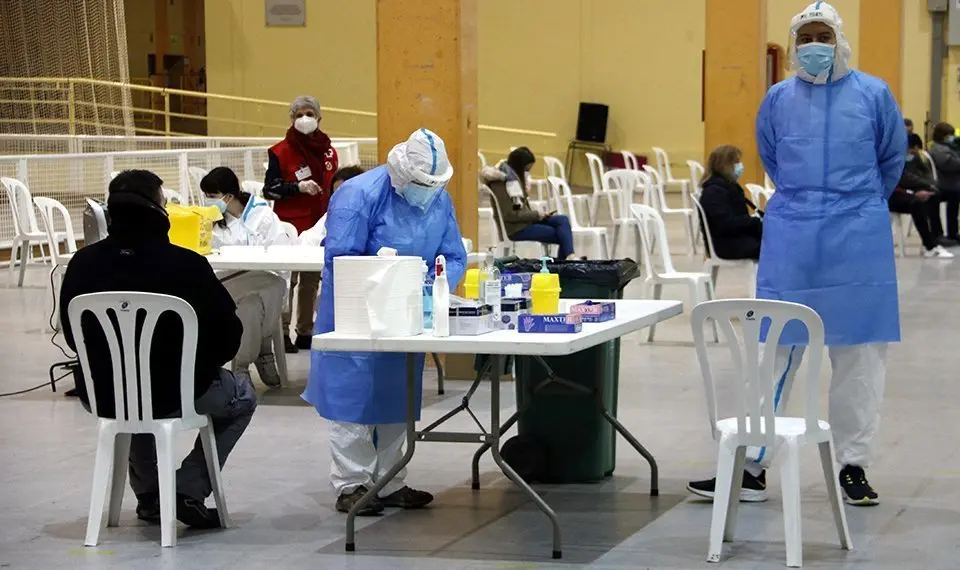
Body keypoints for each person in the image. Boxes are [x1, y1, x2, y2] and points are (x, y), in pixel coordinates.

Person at [688, 2, 905, 507]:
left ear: (839, 40)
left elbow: (891, 159)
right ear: (793, 44)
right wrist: (808, 203)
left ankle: (853, 465)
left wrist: (857, 204)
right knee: (776, 349)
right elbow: (771, 156)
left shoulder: (874, 95)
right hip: (794, 235)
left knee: (859, 355)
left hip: (858, 238)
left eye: (822, 36)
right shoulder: (778, 99)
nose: (813, 46)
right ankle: (753, 464)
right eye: (805, 36)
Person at [59, 170, 257, 529]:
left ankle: (151, 497)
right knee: (242, 396)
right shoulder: (188, 266)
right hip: (176, 393)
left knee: (132, 393)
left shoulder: (82, 264)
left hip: (104, 393)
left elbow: (74, 338)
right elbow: (228, 337)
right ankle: (186, 489)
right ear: (159, 210)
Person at [304, 129, 467, 516]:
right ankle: (352, 484)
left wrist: (434, 284)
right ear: (400, 172)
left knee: (398, 397)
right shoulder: (359, 195)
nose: (427, 193)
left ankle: (391, 480)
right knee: (354, 399)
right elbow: (341, 259)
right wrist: (387, 280)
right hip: (355, 314)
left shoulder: (438, 201)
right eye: (422, 185)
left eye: (435, 186)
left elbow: (453, 254)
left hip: (407, 316)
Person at [200, 166, 293, 387]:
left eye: (212, 196)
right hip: (225, 284)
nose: (207, 201)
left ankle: (241, 367)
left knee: (252, 304)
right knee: (271, 285)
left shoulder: (263, 215)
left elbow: (281, 253)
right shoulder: (208, 221)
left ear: (228, 196)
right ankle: (264, 348)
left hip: (263, 282)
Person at [264, 95, 339, 353]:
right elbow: (269, 190)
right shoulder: (279, 152)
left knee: (311, 280)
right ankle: (282, 331)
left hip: (319, 224)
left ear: (319, 117)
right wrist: (296, 187)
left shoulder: (329, 151)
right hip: (289, 225)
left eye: (309, 113)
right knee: (287, 280)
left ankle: (305, 331)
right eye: (298, 114)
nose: (304, 119)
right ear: (291, 118)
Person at [479, 147, 577, 260]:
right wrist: (536, 215)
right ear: (519, 167)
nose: (527, 174)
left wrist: (539, 215)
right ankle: (564, 263)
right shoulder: (502, 184)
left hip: (526, 222)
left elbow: (521, 210)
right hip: (516, 229)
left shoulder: (513, 179)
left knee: (562, 220)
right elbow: (510, 215)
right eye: (526, 170)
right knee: (562, 235)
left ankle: (569, 256)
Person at [890, 134, 953, 258]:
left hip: (900, 190)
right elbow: (901, 180)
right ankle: (930, 247)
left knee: (932, 196)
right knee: (916, 203)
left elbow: (909, 177)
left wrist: (927, 186)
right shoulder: (891, 157)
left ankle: (936, 237)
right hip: (888, 195)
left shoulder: (908, 157)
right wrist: (913, 193)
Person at [698, 145, 763, 261]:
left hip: (735, 238)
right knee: (775, 247)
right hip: (726, 244)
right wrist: (754, 223)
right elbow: (726, 223)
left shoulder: (728, 186)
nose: (740, 166)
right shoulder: (714, 192)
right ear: (724, 165)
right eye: (736, 162)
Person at [299, 165, 366, 248]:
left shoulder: (374, 216)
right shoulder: (331, 216)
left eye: (345, 194)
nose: (340, 200)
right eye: (336, 195)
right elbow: (306, 240)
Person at [927, 122, 960, 243]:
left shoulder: (944, 147)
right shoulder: (939, 149)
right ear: (943, 136)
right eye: (949, 135)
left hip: (948, 183)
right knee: (955, 194)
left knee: (955, 194)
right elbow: (950, 165)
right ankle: (948, 234)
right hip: (943, 185)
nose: (951, 138)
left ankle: (953, 232)